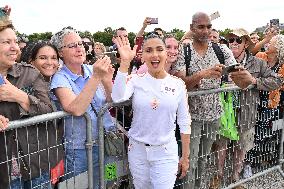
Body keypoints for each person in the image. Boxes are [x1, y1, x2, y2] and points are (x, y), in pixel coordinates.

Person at [112, 33, 191, 189]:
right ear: (143, 55)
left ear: (165, 53)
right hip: (138, 152)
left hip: (166, 152)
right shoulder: (135, 80)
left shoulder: (178, 85)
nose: (154, 55)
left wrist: (185, 156)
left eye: (159, 49)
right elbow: (118, 97)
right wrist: (125, 63)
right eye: (149, 50)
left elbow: (184, 121)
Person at [172, 12, 237, 189]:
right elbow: (180, 84)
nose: (206, 30)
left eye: (209, 26)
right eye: (201, 27)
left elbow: (236, 72)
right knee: (189, 162)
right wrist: (203, 74)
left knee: (203, 161)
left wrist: (243, 76)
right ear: (191, 28)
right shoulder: (184, 52)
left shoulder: (221, 50)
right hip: (190, 118)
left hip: (214, 115)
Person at [212, 29, 284, 189]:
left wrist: (254, 80)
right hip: (223, 113)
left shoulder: (258, 62)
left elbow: (277, 81)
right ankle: (218, 176)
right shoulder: (219, 59)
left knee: (241, 146)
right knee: (221, 146)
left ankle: (236, 178)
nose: (234, 43)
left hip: (247, 112)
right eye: (231, 40)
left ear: (245, 43)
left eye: (238, 40)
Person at [50, 26, 115, 188]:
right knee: (79, 186)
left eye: (80, 44)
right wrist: (97, 77)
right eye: (72, 46)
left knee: (110, 182)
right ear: (60, 52)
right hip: (80, 151)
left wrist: (107, 81)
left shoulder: (92, 69)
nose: (80, 48)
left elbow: (112, 101)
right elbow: (77, 109)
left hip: (108, 144)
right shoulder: (60, 79)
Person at [0, 16, 57, 189]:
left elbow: (50, 110)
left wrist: (20, 96)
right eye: (6, 42)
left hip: (36, 163)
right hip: (5, 170)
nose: (14, 48)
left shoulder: (29, 73)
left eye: (15, 41)